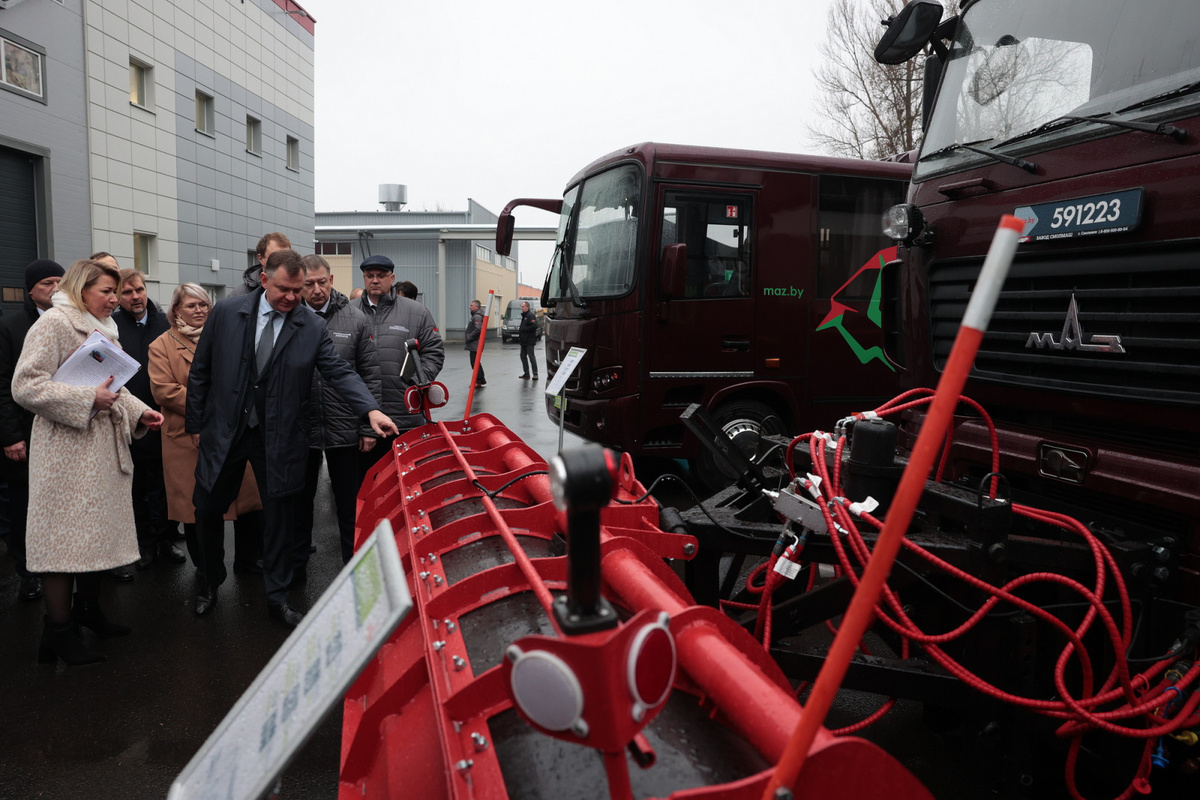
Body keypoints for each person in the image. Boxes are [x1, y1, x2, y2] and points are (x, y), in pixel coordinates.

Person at [186, 249, 399, 628]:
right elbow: (201, 369)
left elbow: (338, 371)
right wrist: (196, 424)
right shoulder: (227, 312)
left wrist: (369, 410)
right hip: (226, 431)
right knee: (207, 508)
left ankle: (278, 596)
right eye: (284, 289)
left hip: (278, 435)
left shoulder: (310, 326)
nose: (291, 297)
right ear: (264, 279)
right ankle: (209, 583)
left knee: (280, 517)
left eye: (297, 291)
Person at [12, 258, 164, 665]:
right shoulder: (54, 323)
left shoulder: (103, 328)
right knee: (62, 544)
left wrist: (140, 412)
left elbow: (113, 388)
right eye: (107, 292)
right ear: (81, 290)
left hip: (98, 451)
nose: (115, 299)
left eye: (117, 292)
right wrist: (86, 399)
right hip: (64, 453)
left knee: (93, 539)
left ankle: (89, 613)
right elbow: (24, 386)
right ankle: (57, 633)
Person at [148, 284, 264, 582]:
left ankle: (248, 560)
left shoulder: (227, 337)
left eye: (204, 305)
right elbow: (164, 390)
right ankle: (206, 570)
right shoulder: (162, 345)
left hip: (232, 431)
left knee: (247, 502)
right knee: (195, 508)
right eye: (191, 305)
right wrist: (214, 405)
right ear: (176, 310)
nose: (199, 310)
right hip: (186, 436)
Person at [296, 255, 380, 568]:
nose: (317, 289)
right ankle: (296, 569)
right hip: (302, 428)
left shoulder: (356, 320)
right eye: (309, 284)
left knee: (349, 505)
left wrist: (368, 427)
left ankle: (354, 567)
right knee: (299, 504)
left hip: (345, 427)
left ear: (331, 280)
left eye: (322, 282)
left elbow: (370, 377)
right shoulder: (290, 318)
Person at [0, 259, 65, 603]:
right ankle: (27, 573)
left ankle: (61, 567)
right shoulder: (11, 327)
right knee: (24, 508)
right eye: (46, 283)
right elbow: (2, 386)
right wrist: (11, 437)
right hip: (25, 436)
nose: (55, 289)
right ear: (30, 291)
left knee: (60, 506)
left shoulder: (71, 321)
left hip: (63, 432)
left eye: (59, 282)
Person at [112, 269, 185, 570]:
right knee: (138, 488)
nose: (135, 297)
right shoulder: (112, 327)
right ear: (118, 297)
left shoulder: (164, 323)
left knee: (165, 486)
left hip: (164, 418)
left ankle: (166, 539)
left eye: (139, 290)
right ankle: (144, 543)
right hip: (129, 421)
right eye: (127, 292)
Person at [356, 254, 444, 473]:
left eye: (381, 275)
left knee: (409, 480)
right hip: (361, 419)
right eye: (369, 275)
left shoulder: (416, 312)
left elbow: (434, 351)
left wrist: (414, 382)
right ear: (364, 277)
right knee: (366, 483)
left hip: (405, 418)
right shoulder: (349, 312)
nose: (375, 280)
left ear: (392, 278)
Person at [231, 232, 291, 297]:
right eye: (276, 257)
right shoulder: (239, 295)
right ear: (261, 259)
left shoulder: (297, 291)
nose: (283, 262)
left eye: (287, 257)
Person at [465, 299, 486, 388]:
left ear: (476, 307)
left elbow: (478, 329)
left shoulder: (477, 317)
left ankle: (478, 380)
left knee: (475, 363)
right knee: (476, 362)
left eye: (471, 305)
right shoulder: (475, 316)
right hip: (475, 344)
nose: (470, 307)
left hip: (476, 344)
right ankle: (480, 380)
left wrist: (470, 337)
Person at [517, 301, 539, 381]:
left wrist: (524, 329)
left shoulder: (530, 315)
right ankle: (526, 373)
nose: (521, 308)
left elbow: (534, 326)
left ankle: (535, 374)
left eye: (523, 307)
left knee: (531, 357)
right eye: (521, 306)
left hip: (529, 340)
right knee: (523, 356)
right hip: (523, 341)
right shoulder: (524, 316)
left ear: (527, 307)